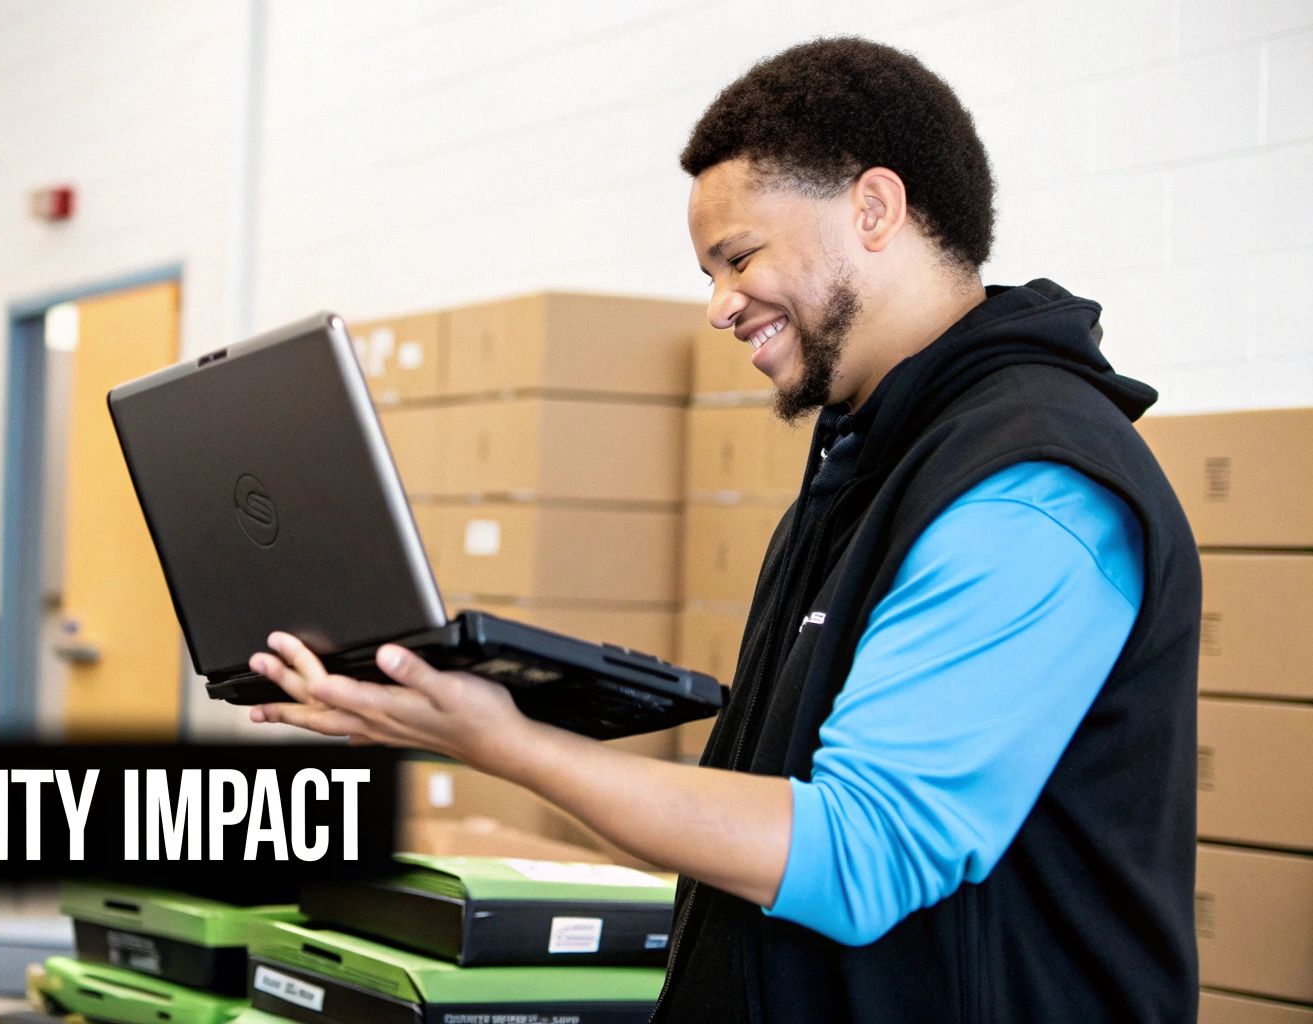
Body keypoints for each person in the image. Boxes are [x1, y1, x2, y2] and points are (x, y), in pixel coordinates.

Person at [246, 38, 1199, 1023]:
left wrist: (509, 744)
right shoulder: (868, 460)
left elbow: (858, 853)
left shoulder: (1024, 489)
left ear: (873, 209)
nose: (717, 306)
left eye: (737, 258)